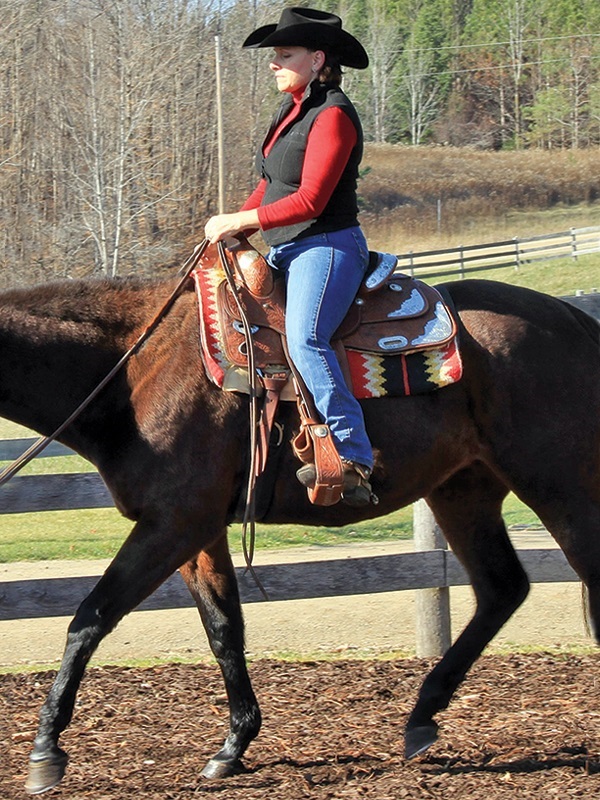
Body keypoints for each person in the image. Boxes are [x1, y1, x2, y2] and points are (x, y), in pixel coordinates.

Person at [204, 6, 374, 506]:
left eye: (285, 55)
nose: (274, 64)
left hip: (326, 246)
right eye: (275, 56)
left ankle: (353, 456)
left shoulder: (334, 115)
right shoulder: (291, 110)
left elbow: (311, 201)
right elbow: (270, 185)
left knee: (305, 338)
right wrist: (229, 226)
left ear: (317, 58)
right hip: (287, 247)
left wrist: (240, 224)